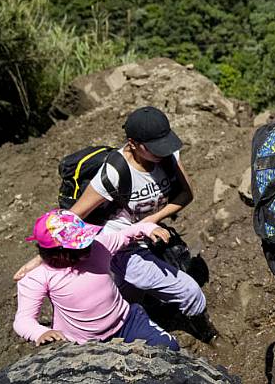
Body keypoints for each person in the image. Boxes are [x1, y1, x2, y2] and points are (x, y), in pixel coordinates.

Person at [13, 106, 217, 342]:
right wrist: (42, 258)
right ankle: (208, 335)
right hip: (119, 246)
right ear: (133, 143)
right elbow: (72, 218)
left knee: (129, 293)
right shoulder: (113, 174)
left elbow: (187, 194)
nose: (163, 151)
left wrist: (150, 221)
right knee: (188, 290)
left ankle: (125, 316)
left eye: (165, 143)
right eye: (154, 147)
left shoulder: (167, 156)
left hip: (146, 234)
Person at [13, 209, 179, 351]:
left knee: (170, 348)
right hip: (81, 341)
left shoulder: (98, 247)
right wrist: (40, 332)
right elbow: (23, 320)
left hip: (127, 321)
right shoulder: (37, 277)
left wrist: (149, 228)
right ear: (57, 253)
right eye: (80, 245)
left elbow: (126, 234)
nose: (88, 246)